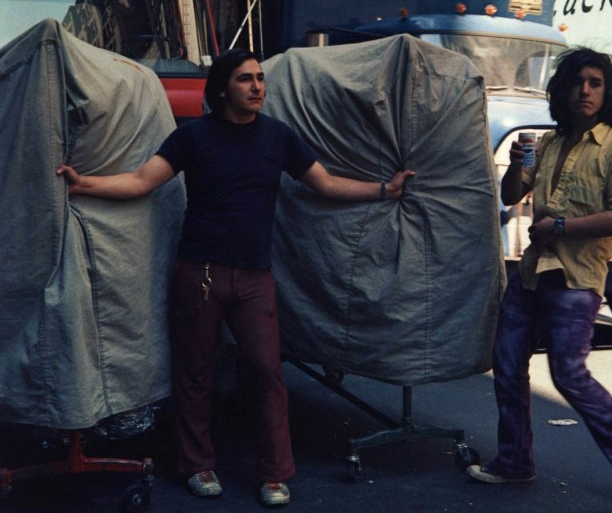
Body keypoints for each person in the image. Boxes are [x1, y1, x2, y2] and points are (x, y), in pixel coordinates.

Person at [56, 48, 415, 508]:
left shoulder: (278, 137)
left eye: (260, 79)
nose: (257, 87)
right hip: (200, 273)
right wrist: (84, 183)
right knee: (195, 374)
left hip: (254, 278)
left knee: (266, 372)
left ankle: (274, 474)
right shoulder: (194, 136)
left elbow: (324, 183)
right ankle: (197, 465)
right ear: (223, 88)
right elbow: (142, 181)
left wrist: (384, 189)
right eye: (246, 79)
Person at [466, 47, 612, 507]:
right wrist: (517, 164)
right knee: (507, 364)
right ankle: (515, 462)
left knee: (569, 374)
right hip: (534, 272)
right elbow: (512, 195)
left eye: (595, 83)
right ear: (562, 91)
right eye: (578, 82)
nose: (585, 91)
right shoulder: (550, 143)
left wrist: (559, 227)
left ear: (607, 92)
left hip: (577, 278)